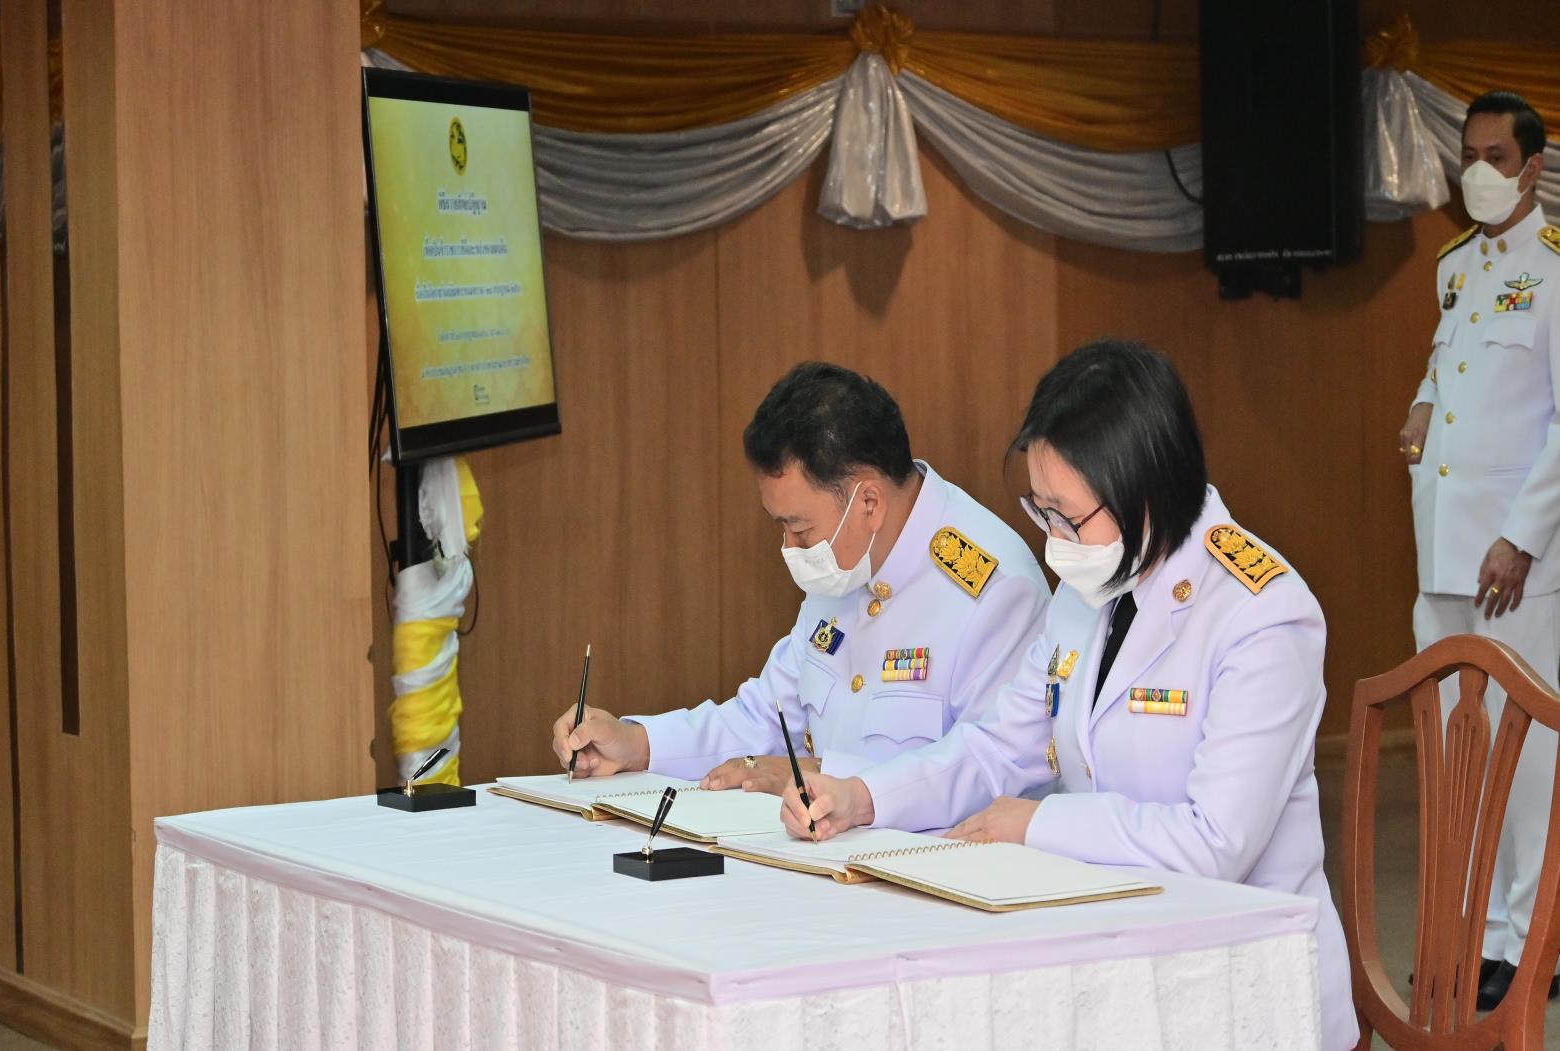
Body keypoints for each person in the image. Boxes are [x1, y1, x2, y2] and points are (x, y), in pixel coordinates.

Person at [781, 341, 1357, 1051]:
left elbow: (1216, 843)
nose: (1054, 540)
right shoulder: (1091, 589)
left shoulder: (1261, 613)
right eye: (1041, 510)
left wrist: (1037, 823)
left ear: (1146, 489)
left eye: (1068, 516)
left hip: (1246, 984)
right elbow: (1000, 747)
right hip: (1114, 955)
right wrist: (863, 796)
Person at [550, 361, 1051, 792]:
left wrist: (822, 775)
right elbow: (767, 718)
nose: (790, 549)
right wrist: (635, 743)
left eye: (801, 529)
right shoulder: (848, 562)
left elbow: (986, 771)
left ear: (869, 502)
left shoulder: (994, 588)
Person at [1398, 90, 1560, 1009]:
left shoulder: (1556, 269)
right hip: (1444, 553)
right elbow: (1445, 361)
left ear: (1533, 167)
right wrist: (1423, 402)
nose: (1479, 172)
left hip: (1515, 566)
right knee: (1460, 752)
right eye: (1470, 154)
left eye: (1497, 157)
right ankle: (1475, 932)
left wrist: (1522, 538)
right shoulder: (1457, 265)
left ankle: (1532, 944)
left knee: (1525, 759)